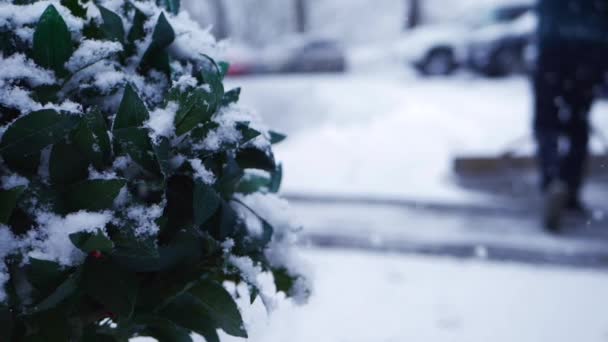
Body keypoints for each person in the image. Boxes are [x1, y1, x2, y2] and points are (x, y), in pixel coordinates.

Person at [534, 0, 608, 231]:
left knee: (546, 123)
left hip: (552, 48)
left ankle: (552, 180)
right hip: (590, 51)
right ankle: (570, 188)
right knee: (578, 125)